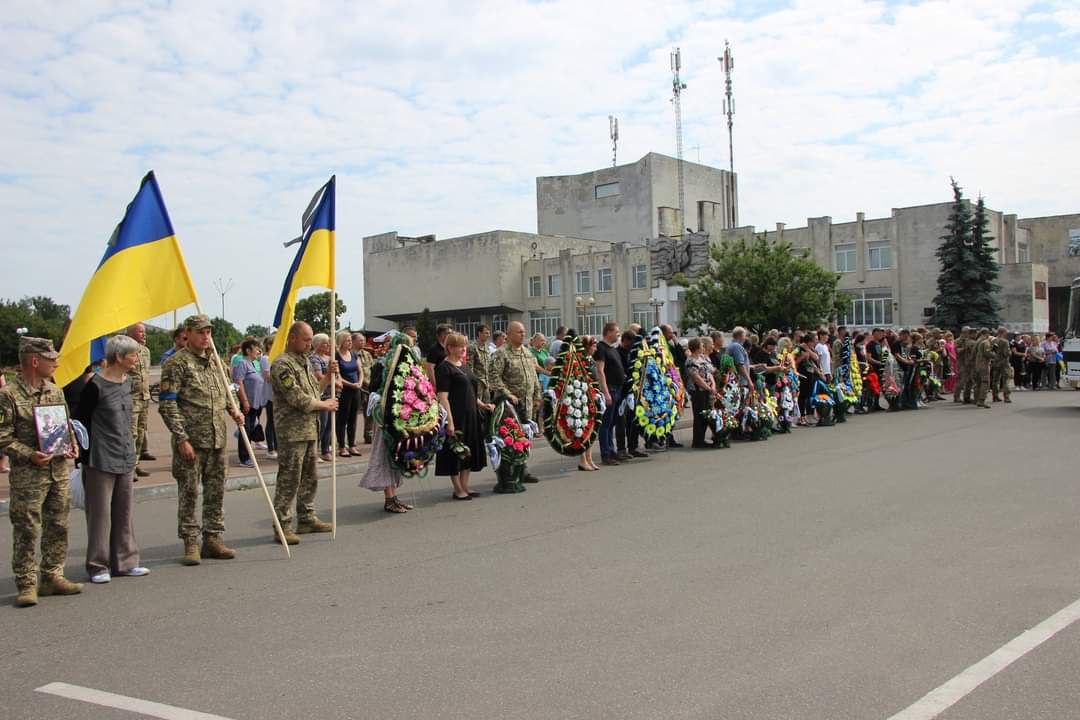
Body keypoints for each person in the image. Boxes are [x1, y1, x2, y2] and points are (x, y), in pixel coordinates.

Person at [0, 337, 83, 607]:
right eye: (51, 359)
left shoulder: (54, 391)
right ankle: (26, 583)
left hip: (57, 471)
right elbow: (3, 436)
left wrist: (70, 445)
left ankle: (52, 576)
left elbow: (64, 424)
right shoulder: (9, 395)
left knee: (58, 524)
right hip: (28, 475)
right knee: (27, 528)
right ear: (35, 361)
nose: (56, 363)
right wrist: (28, 454)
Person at [158, 314, 244, 565]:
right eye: (200, 332)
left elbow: (227, 393)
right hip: (192, 441)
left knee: (216, 492)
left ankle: (213, 539)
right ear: (188, 334)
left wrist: (235, 408)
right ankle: (190, 542)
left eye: (208, 332)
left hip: (217, 439)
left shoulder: (216, 362)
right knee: (189, 493)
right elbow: (168, 405)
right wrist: (181, 437)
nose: (206, 337)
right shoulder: (177, 364)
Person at [74, 334, 149, 583]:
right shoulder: (94, 386)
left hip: (125, 455)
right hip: (99, 457)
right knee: (100, 515)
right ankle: (98, 565)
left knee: (124, 511)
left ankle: (125, 562)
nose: (137, 359)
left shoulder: (129, 383)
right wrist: (82, 456)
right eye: (133, 355)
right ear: (118, 357)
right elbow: (79, 421)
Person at [270, 322, 339, 544]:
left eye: (311, 340)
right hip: (292, 431)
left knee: (310, 477)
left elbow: (313, 392)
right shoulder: (282, 365)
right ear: (292, 338)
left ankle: (307, 518)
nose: (310, 344)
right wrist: (325, 406)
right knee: (289, 479)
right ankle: (282, 525)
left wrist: (328, 377)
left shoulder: (305, 362)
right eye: (305, 339)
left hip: (309, 429)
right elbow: (297, 398)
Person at [435, 332, 492, 499]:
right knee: (455, 452)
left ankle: (465, 485)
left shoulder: (463, 365)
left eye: (465, 346)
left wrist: (482, 404)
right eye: (461, 346)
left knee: (469, 451)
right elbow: (443, 397)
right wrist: (450, 422)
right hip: (456, 416)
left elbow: (470, 391)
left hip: (471, 415)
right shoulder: (444, 368)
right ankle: (458, 488)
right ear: (450, 348)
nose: (464, 349)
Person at [489, 321, 541, 483]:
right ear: (509, 334)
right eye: (519, 332)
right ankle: (507, 473)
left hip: (527, 404)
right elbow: (494, 378)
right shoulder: (501, 353)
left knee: (524, 438)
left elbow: (533, 375)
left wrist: (538, 395)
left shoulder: (527, 352)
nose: (522, 334)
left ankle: (522, 469)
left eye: (524, 332)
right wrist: (508, 394)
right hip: (509, 406)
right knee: (509, 439)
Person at [593, 322, 625, 466]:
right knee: (605, 424)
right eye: (616, 332)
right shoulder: (600, 348)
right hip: (609, 390)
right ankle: (605, 454)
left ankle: (612, 451)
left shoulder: (612, 349)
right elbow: (600, 371)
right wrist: (606, 393)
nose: (618, 334)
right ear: (608, 332)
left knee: (612, 423)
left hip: (617, 389)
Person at [232, 338, 266, 468]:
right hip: (248, 403)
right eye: (256, 348)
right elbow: (238, 382)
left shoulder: (253, 363)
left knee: (250, 429)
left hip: (256, 404)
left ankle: (247, 455)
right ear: (248, 350)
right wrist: (244, 401)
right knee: (246, 430)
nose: (258, 351)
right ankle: (244, 458)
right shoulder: (242, 363)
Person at [126, 323, 154, 478]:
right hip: (131, 398)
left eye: (144, 332)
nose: (144, 334)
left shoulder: (145, 351)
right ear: (130, 334)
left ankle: (136, 464)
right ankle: (129, 469)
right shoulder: (125, 351)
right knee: (131, 434)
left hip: (144, 398)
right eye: (140, 332)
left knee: (141, 433)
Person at [616, 329, 647, 459]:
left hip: (634, 391)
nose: (632, 346)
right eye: (631, 343)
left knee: (633, 420)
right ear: (625, 341)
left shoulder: (632, 352)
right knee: (621, 422)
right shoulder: (617, 353)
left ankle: (633, 447)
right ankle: (621, 449)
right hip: (622, 392)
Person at [686, 337, 719, 449]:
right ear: (696, 348)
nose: (703, 347)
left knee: (706, 415)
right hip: (698, 391)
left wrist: (712, 385)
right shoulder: (691, 361)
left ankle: (702, 439)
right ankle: (698, 441)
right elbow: (696, 378)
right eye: (701, 346)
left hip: (707, 390)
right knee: (700, 416)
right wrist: (708, 388)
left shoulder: (701, 358)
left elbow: (709, 373)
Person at [334, 330, 363, 457]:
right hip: (344, 391)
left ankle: (352, 445)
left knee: (353, 418)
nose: (350, 343)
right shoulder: (336, 356)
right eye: (347, 341)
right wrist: (351, 384)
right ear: (341, 342)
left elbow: (360, 370)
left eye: (351, 340)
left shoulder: (353, 355)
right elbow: (338, 376)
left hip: (356, 390)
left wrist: (360, 382)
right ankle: (341, 446)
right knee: (342, 419)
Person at [309, 333, 336, 461]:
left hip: (332, 393)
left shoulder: (330, 358)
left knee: (330, 424)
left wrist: (338, 380)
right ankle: (315, 451)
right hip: (322, 395)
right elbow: (319, 376)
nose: (328, 345)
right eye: (325, 343)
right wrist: (335, 382)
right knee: (322, 424)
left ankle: (326, 450)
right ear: (318, 345)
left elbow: (338, 373)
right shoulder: (314, 358)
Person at [353, 332, 375, 444]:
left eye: (364, 340)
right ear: (353, 341)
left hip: (368, 387)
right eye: (360, 340)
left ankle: (368, 434)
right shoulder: (350, 354)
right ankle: (351, 438)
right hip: (354, 386)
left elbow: (372, 369)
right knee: (353, 413)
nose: (363, 342)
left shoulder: (367, 354)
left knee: (369, 412)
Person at [467, 325, 493, 403]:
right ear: (479, 333)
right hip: (477, 382)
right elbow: (470, 367)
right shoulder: (472, 348)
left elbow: (489, 367)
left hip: (486, 383)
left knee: (487, 406)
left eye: (489, 333)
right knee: (477, 405)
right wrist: (471, 383)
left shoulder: (487, 348)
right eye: (486, 333)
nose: (488, 335)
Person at [972, 328, 993, 409]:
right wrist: (994, 354)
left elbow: (973, 353)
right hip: (984, 364)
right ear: (986, 333)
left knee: (978, 382)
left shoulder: (977, 341)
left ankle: (976, 399)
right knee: (985, 382)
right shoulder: (985, 342)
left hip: (977, 364)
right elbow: (987, 353)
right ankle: (981, 400)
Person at [990, 328, 1012, 403]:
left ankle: (995, 396)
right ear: (1003, 332)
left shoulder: (993, 340)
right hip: (1004, 362)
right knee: (1006, 379)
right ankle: (1006, 397)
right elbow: (1006, 353)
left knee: (995, 380)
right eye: (1006, 332)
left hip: (996, 362)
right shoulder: (1005, 341)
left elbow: (992, 351)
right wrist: (1010, 352)